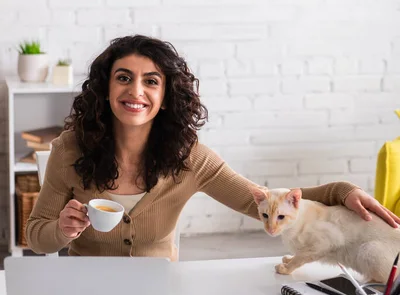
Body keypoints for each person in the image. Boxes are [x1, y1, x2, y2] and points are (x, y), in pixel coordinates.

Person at [26, 35, 400, 260]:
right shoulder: (70, 150)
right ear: (106, 90)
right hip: (85, 291)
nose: (135, 91)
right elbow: (36, 237)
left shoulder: (189, 158)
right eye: (123, 78)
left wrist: (341, 192)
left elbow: (263, 201)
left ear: (167, 96)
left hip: (161, 293)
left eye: (151, 81)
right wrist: (62, 229)